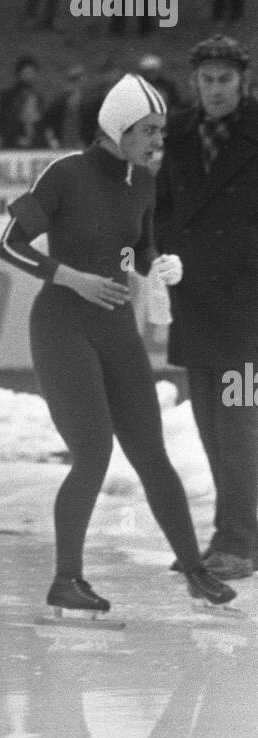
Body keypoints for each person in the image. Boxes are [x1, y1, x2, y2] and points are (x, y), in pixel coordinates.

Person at [0, 72, 236, 615]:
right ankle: (66, 579)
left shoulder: (144, 183)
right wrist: (70, 277)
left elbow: (142, 251)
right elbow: (8, 245)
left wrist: (161, 269)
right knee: (93, 453)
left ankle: (195, 570)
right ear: (117, 126)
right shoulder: (66, 175)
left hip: (115, 329)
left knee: (152, 453)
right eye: (148, 130)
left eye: (162, 131)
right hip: (63, 328)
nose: (157, 141)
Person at [155, 35, 258, 578]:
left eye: (226, 79)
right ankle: (230, 534)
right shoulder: (177, 134)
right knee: (208, 421)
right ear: (195, 82)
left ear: (244, 83)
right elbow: (162, 209)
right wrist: (167, 256)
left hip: (246, 303)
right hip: (193, 299)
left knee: (239, 422)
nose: (216, 89)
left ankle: (240, 541)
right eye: (207, 79)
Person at [42, 63, 99, 148]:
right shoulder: (57, 106)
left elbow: (94, 130)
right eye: (72, 80)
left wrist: (87, 143)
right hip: (60, 149)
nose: (76, 84)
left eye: (79, 79)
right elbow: (47, 126)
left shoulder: (91, 106)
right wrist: (53, 141)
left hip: (83, 149)